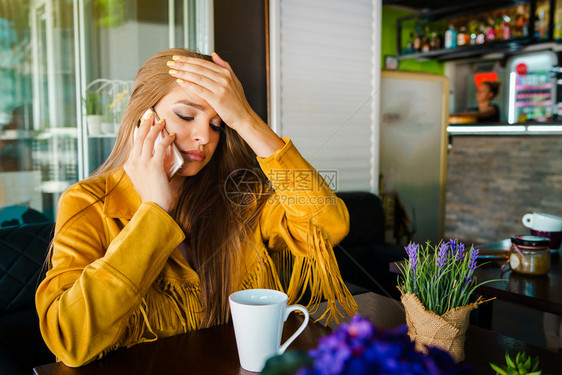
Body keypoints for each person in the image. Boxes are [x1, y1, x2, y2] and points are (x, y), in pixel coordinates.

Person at [35, 48, 357, 367]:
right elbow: (70, 339)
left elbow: (328, 225)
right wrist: (154, 213)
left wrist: (245, 119)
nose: (204, 135)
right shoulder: (87, 203)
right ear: (144, 118)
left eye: (218, 124)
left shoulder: (240, 196)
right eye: (186, 116)